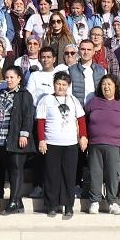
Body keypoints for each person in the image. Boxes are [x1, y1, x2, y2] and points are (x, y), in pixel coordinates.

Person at [37, 70, 86, 218]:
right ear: (54, 85)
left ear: (68, 86)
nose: (61, 87)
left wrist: (83, 136)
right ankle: (52, 205)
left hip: (70, 144)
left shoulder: (73, 100)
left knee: (69, 175)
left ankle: (68, 206)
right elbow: (40, 121)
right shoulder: (46, 100)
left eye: (64, 84)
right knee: (52, 175)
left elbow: (81, 119)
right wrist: (41, 139)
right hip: (52, 143)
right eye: (58, 84)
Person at [84, 73, 120, 215]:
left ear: (115, 87)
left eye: (109, 84)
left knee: (113, 174)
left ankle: (113, 202)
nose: (106, 87)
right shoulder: (93, 102)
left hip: (115, 144)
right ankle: (94, 202)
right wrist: (85, 137)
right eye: (104, 84)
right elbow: (85, 120)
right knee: (95, 173)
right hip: (95, 144)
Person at [0, 65, 36, 215]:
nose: (9, 80)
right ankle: (19, 202)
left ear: (19, 79)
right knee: (10, 167)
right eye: (7, 77)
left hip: (16, 138)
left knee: (16, 169)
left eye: (12, 77)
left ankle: (13, 201)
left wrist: (24, 134)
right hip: (1, 137)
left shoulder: (25, 94)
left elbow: (28, 115)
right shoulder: (2, 93)